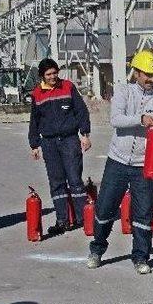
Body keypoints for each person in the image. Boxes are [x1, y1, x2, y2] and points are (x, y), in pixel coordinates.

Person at [87, 50, 153, 275]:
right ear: (137, 73)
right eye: (147, 74)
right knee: (105, 209)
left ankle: (141, 257)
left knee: (143, 213)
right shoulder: (123, 92)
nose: (151, 79)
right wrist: (140, 119)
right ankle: (97, 250)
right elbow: (116, 120)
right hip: (118, 161)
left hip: (145, 165)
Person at [28, 58, 92, 235]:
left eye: (55, 73)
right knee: (56, 183)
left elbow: (81, 111)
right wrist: (34, 144)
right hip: (48, 143)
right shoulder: (37, 94)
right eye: (48, 74)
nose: (53, 77)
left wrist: (85, 135)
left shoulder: (68, 87)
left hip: (69, 140)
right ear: (42, 76)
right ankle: (62, 220)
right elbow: (34, 121)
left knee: (75, 180)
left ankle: (83, 218)